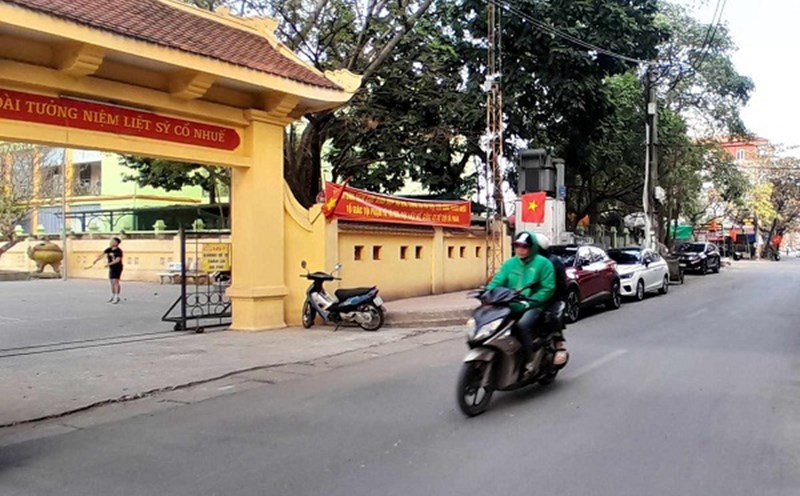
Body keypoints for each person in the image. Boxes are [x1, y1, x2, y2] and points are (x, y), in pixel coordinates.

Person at [486, 231, 556, 376]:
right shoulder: (510, 263)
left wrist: (530, 302)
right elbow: (498, 280)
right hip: (510, 304)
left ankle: (528, 361)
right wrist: (488, 293)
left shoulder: (543, 264)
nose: (521, 249)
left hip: (533, 306)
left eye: (525, 246)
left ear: (532, 247)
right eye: (517, 246)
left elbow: (548, 288)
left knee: (522, 325)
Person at [534, 233, 569, 367]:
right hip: (530, 298)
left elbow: (559, 285)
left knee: (551, 318)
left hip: (551, 298)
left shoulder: (552, 262)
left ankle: (558, 343)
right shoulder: (525, 261)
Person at [91, 237, 124, 304]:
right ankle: (113, 295)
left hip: (117, 267)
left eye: (112, 241)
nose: (111, 242)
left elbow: (117, 260)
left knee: (115, 282)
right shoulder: (109, 249)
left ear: (116, 243)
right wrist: (96, 260)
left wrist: (109, 264)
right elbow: (102, 255)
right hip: (111, 267)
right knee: (112, 282)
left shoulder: (118, 251)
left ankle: (117, 296)